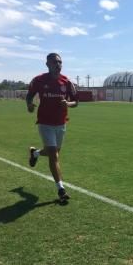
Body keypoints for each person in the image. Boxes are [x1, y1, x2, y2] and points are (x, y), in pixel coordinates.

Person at [26, 53, 78, 202]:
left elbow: (75, 102)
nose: (58, 64)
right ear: (47, 64)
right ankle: (61, 190)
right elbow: (29, 95)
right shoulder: (39, 80)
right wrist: (29, 105)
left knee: (52, 153)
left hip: (61, 123)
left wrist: (67, 104)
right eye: (55, 62)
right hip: (45, 123)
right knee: (54, 156)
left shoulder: (66, 82)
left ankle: (34, 153)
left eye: (60, 62)